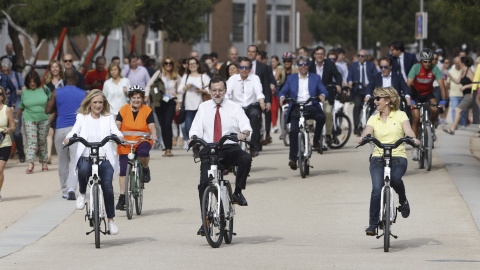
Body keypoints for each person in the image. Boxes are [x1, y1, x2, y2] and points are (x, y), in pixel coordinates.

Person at [188, 76, 252, 236]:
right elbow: (195, 128)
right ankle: (205, 221)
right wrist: (193, 138)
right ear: (209, 91)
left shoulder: (234, 107)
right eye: (214, 90)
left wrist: (243, 133)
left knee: (246, 159)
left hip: (229, 146)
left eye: (220, 90)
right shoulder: (203, 107)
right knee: (204, 184)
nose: (217, 93)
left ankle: (238, 191)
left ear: (225, 91)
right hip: (209, 149)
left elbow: (245, 125)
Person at [357, 86, 419, 236]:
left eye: (378, 98)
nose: (375, 101)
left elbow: (408, 130)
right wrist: (363, 137)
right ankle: (372, 225)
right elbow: (367, 131)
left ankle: (403, 201)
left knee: (395, 178)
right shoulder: (373, 117)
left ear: (387, 100)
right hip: (378, 157)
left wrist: (413, 138)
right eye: (374, 98)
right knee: (377, 188)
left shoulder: (400, 115)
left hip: (398, 156)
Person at [64, 89, 123, 235]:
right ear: (89, 103)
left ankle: (111, 221)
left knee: (108, 187)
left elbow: (116, 131)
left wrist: (119, 137)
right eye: (95, 102)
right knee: (83, 170)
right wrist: (69, 138)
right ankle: (83, 193)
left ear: (104, 104)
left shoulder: (108, 117)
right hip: (86, 155)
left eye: (100, 103)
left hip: (104, 157)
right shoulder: (82, 117)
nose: (98, 105)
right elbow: (74, 131)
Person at [279, 55, 328, 170]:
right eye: (300, 64)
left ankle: (316, 140)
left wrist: (322, 95)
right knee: (293, 131)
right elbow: (283, 90)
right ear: (297, 66)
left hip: (310, 105)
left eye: (305, 64)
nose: (303, 67)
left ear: (308, 66)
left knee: (321, 117)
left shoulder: (315, 78)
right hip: (296, 106)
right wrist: (281, 97)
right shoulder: (291, 78)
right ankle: (293, 158)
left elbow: (323, 89)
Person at [115, 85, 157, 210]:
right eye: (134, 97)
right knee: (123, 169)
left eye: (139, 97)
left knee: (144, 152)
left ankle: (145, 168)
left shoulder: (147, 110)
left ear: (142, 98)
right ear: (130, 98)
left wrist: (153, 135)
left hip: (142, 140)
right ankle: (122, 197)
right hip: (126, 142)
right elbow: (117, 124)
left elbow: (152, 126)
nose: (136, 100)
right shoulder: (123, 110)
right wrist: (116, 134)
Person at [46, 67, 85, 199]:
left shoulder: (57, 92)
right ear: (76, 78)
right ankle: (71, 189)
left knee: (62, 161)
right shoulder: (83, 93)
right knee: (75, 160)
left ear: (64, 79)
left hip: (61, 129)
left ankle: (64, 190)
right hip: (76, 130)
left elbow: (47, 110)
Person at [407, 48, 447, 160]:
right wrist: (409, 98)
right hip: (415, 95)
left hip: (428, 94)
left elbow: (442, 85)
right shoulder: (416, 67)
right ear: (421, 61)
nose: (428, 63)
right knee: (415, 119)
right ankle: (415, 148)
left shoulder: (435, 69)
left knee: (435, 109)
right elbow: (408, 84)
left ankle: (431, 128)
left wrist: (443, 99)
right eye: (425, 61)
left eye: (429, 61)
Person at [226, 57, 266, 157]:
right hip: (237, 108)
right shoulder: (232, 79)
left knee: (255, 116)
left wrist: (262, 103)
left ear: (250, 68)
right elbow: (227, 93)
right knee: (229, 125)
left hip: (251, 106)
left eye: (246, 67)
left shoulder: (255, 78)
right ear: (238, 68)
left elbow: (259, 93)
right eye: (242, 67)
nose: (244, 69)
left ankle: (253, 147)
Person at [16, 71, 50, 174]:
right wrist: (16, 118)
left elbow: (53, 99)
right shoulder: (25, 92)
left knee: (42, 140)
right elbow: (21, 105)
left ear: (37, 81)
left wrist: (53, 114)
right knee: (32, 141)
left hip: (44, 118)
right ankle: (30, 163)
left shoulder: (44, 88)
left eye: (34, 81)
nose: (32, 84)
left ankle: (44, 162)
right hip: (29, 118)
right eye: (30, 82)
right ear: (27, 82)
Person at [145, 56, 181, 157]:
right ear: (163, 64)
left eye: (170, 63)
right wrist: (147, 95)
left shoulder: (176, 76)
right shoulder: (159, 73)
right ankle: (166, 146)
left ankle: (169, 149)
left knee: (167, 124)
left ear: (173, 65)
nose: (168, 65)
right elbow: (148, 85)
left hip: (171, 101)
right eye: (166, 63)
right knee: (162, 125)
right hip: (159, 102)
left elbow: (180, 90)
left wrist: (179, 102)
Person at [177, 57, 210, 157]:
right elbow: (179, 90)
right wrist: (186, 86)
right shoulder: (186, 77)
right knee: (188, 128)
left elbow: (211, 89)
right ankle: (195, 146)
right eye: (190, 64)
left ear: (198, 65)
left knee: (201, 128)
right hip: (188, 107)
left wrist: (202, 90)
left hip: (201, 106)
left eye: (194, 64)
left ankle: (198, 148)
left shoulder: (203, 76)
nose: (192, 66)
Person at [309, 46, 342, 147]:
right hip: (313, 94)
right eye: (317, 54)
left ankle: (328, 135)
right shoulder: (310, 65)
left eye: (321, 54)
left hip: (327, 93)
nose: (319, 56)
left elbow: (337, 75)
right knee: (309, 111)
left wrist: (338, 84)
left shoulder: (330, 64)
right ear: (314, 55)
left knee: (327, 112)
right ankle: (311, 127)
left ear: (324, 55)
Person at [347, 49, 378, 135]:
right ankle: (356, 126)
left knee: (373, 106)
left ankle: (371, 125)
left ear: (366, 57)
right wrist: (349, 82)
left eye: (362, 56)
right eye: (358, 56)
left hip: (369, 89)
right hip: (358, 89)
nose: (360, 58)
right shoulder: (353, 65)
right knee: (357, 105)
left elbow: (376, 75)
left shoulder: (371, 65)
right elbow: (349, 76)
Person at [247, 45, 272, 146]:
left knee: (256, 121)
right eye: (249, 51)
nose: (251, 53)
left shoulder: (263, 67)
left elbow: (266, 85)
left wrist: (268, 101)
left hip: (258, 99)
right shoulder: (241, 66)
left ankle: (256, 143)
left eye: (253, 52)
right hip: (245, 98)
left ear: (257, 54)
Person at [1, 58, 25, 162]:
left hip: (14, 107)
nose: (6, 72)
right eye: (4, 70)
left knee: (16, 131)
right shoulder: (2, 77)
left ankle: (21, 152)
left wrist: (14, 101)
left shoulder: (16, 76)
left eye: (7, 70)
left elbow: (21, 89)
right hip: (2, 107)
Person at [443, 57, 475, 135]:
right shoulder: (463, 72)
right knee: (459, 110)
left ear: (462, 63)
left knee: (458, 109)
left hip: (470, 95)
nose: (458, 63)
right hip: (466, 95)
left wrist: (465, 86)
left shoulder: (469, 72)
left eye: (459, 62)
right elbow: (458, 81)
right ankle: (453, 128)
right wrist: (450, 76)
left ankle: (452, 129)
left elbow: (476, 83)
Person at [44, 60, 65, 164]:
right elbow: (46, 100)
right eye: (53, 67)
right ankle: (48, 156)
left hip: (62, 111)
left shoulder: (64, 82)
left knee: (61, 135)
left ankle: (63, 156)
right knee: (49, 133)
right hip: (51, 112)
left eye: (56, 67)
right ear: (50, 69)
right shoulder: (47, 84)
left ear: (60, 68)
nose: (55, 69)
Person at [0, 86, 16, 202]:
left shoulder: (7, 109)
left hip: (4, 142)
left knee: (0, 170)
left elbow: (13, 125)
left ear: (3, 96)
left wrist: (9, 130)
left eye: (0, 94)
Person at [446, 57, 466, 127]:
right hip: (453, 94)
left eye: (459, 63)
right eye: (456, 63)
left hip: (463, 94)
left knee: (463, 110)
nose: (457, 64)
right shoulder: (451, 71)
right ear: (454, 63)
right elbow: (447, 83)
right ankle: (455, 125)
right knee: (454, 109)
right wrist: (447, 91)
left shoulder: (464, 71)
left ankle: (463, 124)